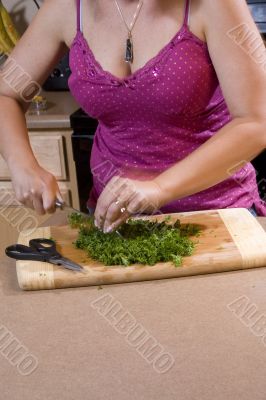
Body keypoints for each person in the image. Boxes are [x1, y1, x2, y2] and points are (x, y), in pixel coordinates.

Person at [0, 0, 266, 234]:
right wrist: (21, 163)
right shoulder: (68, 7)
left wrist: (159, 189)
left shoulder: (214, 4)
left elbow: (256, 122)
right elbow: (6, 94)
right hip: (118, 224)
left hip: (216, 217)